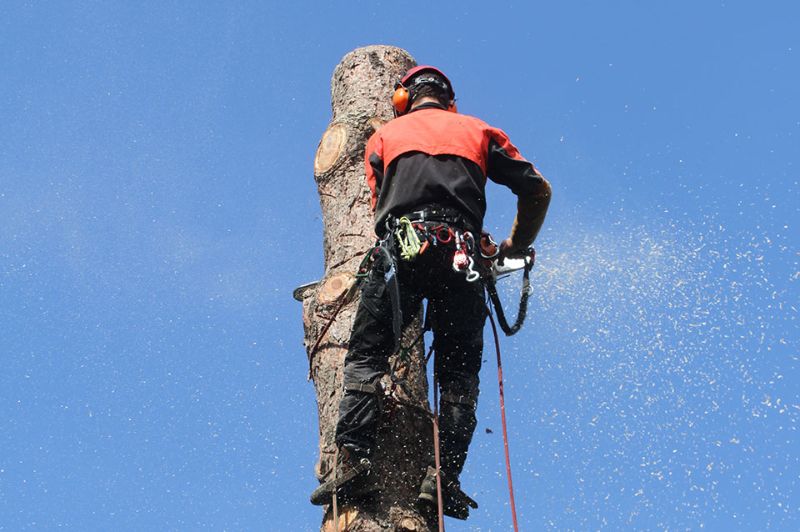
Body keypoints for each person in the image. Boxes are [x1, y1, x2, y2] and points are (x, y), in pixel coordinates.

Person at [310, 65, 551, 519]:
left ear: (402, 99)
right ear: (450, 102)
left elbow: (381, 204)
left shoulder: (383, 139)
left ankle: (353, 460)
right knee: (458, 376)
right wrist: (512, 246)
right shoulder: (480, 131)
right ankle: (443, 478)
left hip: (401, 250)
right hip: (462, 255)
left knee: (365, 357)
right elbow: (538, 190)